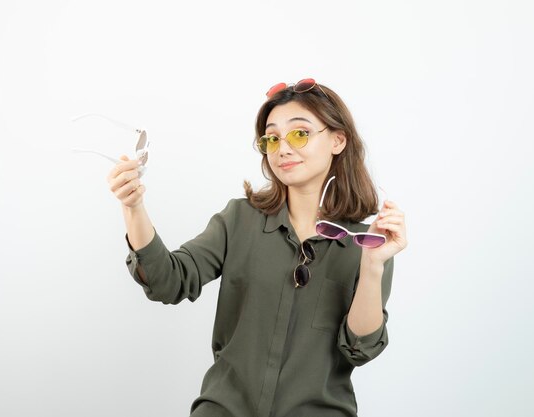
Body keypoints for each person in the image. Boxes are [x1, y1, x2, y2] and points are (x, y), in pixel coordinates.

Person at [107, 78, 408, 417]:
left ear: (338, 140)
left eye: (299, 133)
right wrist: (133, 207)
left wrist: (371, 266)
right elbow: (169, 281)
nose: (283, 148)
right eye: (272, 138)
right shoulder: (239, 220)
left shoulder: (365, 244)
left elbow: (361, 349)